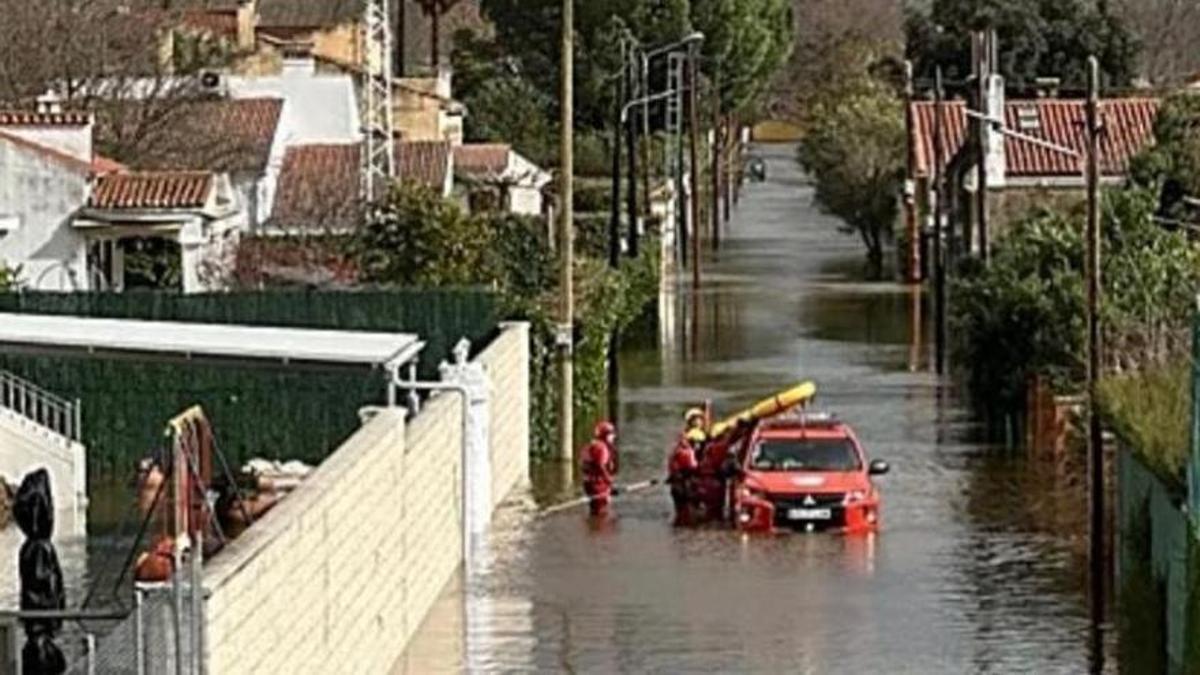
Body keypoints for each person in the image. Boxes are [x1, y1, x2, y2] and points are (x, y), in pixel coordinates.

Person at [580, 421, 619, 517]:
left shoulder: (591, 446)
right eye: (611, 434)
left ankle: (593, 527)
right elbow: (600, 466)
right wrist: (609, 481)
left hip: (589, 482)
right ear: (605, 435)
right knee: (601, 512)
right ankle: (599, 528)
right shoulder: (602, 448)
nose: (613, 437)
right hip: (599, 484)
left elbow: (583, 464)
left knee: (594, 509)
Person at [667, 428, 704, 526]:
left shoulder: (675, 451)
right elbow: (693, 466)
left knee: (679, 512)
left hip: (675, 485)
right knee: (688, 513)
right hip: (684, 485)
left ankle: (678, 532)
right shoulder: (688, 451)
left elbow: (671, 467)